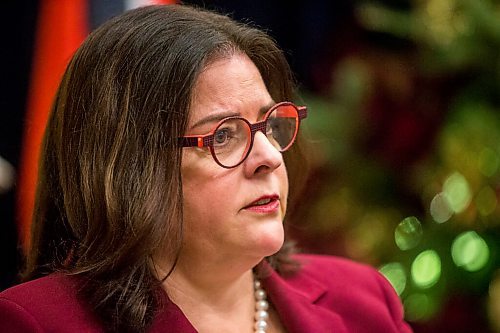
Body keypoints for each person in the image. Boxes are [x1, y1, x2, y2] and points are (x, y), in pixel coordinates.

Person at [0, 4, 412, 333]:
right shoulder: (34, 321)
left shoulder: (364, 298)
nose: (269, 156)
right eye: (222, 136)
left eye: (270, 124)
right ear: (128, 168)